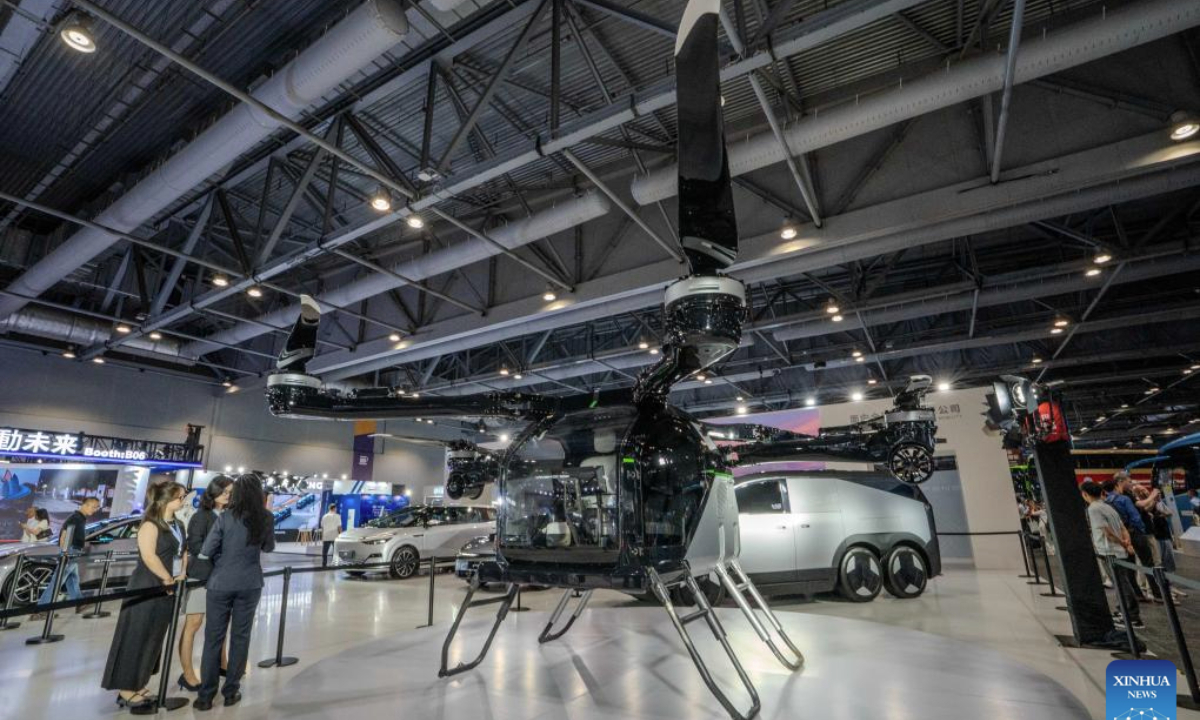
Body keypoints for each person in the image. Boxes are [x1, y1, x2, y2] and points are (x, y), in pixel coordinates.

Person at [100, 482, 187, 710]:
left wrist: (182, 573)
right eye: (180, 497)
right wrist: (167, 579)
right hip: (148, 585)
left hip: (168, 588)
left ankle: (139, 683)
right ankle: (125, 688)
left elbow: (183, 551)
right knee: (136, 636)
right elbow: (149, 556)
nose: (184, 500)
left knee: (154, 638)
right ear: (167, 499)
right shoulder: (150, 525)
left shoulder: (177, 525)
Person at [194, 475, 276, 711]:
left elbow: (206, 551)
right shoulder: (266, 517)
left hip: (220, 583)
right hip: (250, 583)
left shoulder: (225, 517)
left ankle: (205, 696)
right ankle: (231, 691)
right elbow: (268, 547)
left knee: (213, 639)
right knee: (241, 637)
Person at [177, 476, 234, 692]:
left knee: (220, 623)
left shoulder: (230, 516)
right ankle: (188, 674)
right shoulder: (202, 516)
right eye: (224, 491)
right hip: (202, 576)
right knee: (194, 623)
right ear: (214, 491)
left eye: (230, 492)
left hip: (223, 577)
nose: (227, 495)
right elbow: (196, 545)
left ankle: (222, 663)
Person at [1082, 481, 1143, 629]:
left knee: (1121, 583)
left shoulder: (1094, 509)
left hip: (1109, 550)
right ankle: (1122, 610)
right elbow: (1122, 527)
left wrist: (1122, 543)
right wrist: (1126, 542)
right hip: (1119, 550)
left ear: (1086, 494)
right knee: (1122, 581)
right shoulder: (1107, 506)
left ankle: (1132, 617)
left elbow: (1106, 531)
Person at [33, 496, 100, 617]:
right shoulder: (76, 517)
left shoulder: (80, 518)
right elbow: (64, 534)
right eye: (94, 506)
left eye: (97, 507)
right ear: (85, 504)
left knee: (73, 579)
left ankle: (79, 603)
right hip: (70, 551)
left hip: (73, 551)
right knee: (58, 580)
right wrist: (64, 553)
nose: (95, 509)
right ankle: (41, 609)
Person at [1104, 475, 1162, 601]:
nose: (1130, 484)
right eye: (1128, 481)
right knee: (1148, 563)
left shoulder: (1107, 501)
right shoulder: (1124, 499)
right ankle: (1157, 594)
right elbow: (1135, 517)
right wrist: (1141, 530)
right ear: (1118, 483)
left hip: (1122, 537)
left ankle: (1137, 594)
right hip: (1135, 533)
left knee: (1130, 566)